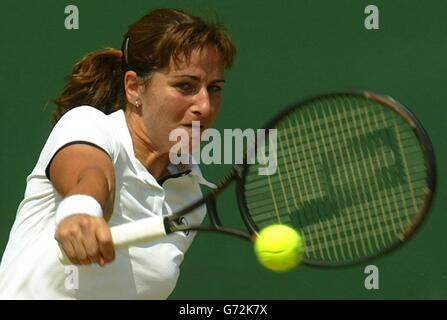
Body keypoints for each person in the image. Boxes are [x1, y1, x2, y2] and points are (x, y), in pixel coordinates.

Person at [0, 8, 236, 299]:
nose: (205, 105)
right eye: (185, 86)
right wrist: (82, 211)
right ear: (134, 87)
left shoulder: (190, 197)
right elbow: (92, 174)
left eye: (214, 88)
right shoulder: (88, 124)